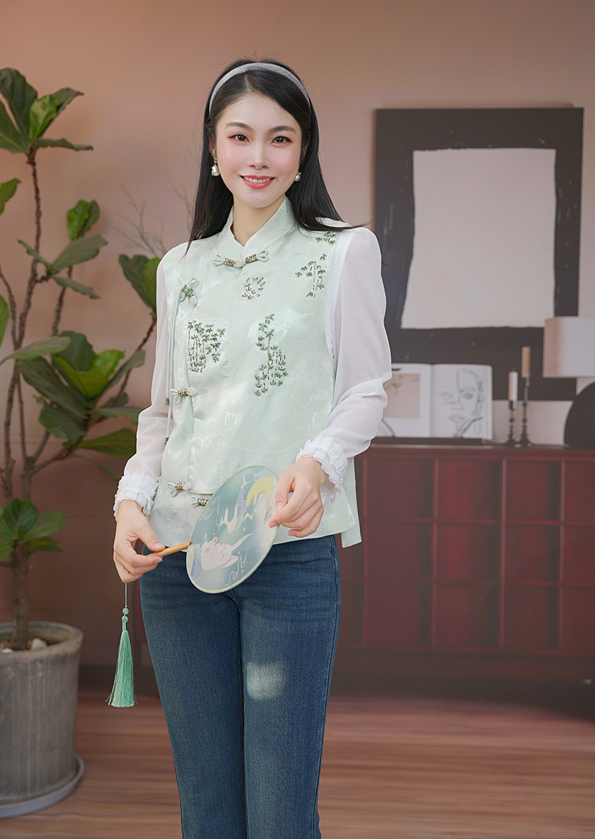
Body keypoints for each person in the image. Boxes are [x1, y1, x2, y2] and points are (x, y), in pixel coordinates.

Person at [112, 58, 391, 839]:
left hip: (286, 556)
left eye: (280, 138)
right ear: (212, 148)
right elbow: (163, 413)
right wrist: (128, 504)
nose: (258, 157)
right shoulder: (179, 269)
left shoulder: (343, 253)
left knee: (277, 813)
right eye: (239, 137)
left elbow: (365, 391)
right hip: (178, 560)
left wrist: (316, 462)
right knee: (206, 806)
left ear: (303, 152)